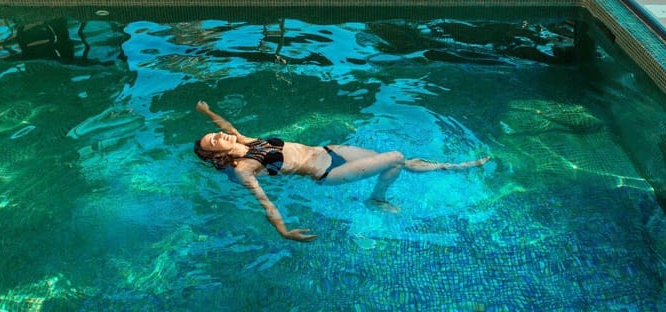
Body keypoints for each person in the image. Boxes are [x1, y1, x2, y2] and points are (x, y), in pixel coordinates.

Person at [193, 101, 490, 242]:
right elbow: (265, 203)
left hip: (329, 151)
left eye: (214, 134)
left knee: (398, 162)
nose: (219, 136)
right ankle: (376, 199)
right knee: (395, 158)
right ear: (216, 155)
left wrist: (207, 113)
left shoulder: (244, 141)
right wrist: (283, 231)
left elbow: (227, 126)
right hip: (325, 173)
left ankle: (454, 167)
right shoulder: (244, 169)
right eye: (214, 141)